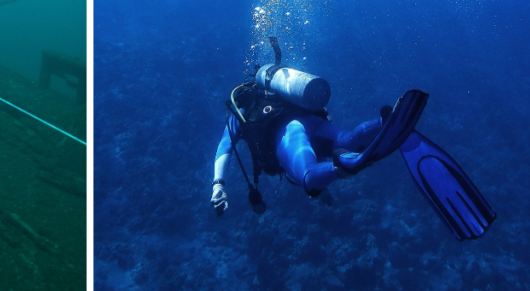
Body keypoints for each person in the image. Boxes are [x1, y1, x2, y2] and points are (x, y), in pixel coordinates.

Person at [209, 38, 496, 241]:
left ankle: (345, 166)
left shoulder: (241, 106)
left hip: (287, 133)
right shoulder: (279, 92)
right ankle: (384, 122)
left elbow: (225, 148)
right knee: (347, 137)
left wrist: (218, 185)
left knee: (308, 176)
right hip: (309, 119)